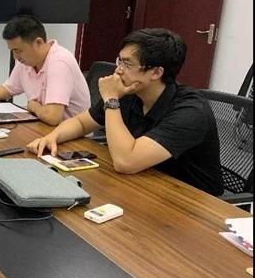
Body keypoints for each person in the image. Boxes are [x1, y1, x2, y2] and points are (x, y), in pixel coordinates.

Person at [28, 28, 223, 196]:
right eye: (119, 61)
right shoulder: (131, 91)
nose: (118, 70)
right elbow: (81, 123)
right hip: (145, 182)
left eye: (127, 64)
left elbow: (125, 162)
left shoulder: (190, 111)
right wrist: (53, 137)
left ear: (156, 72)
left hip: (191, 202)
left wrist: (111, 99)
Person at [0, 15, 90, 125]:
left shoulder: (60, 62)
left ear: (38, 43)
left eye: (18, 51)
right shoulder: (26, 61)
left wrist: (34, 106)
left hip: (73, 132)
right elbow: (8, 89)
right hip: (43, 125)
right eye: (12, 51)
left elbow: (53, 117)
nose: (15, 57)